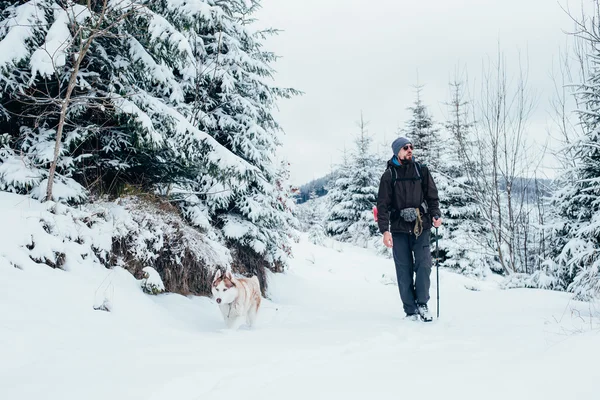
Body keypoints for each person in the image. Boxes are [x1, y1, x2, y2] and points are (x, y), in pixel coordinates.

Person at [376, 137, 442, 322]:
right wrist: (385, 231)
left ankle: (422, 303)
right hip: (398, 229)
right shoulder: (389, 176)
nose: (410, 150)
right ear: (397, 151)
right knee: (403, 270)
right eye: (405, 148)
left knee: (424, 264)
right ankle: (410, 310)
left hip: (421, 226)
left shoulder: (421, 170)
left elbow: (432, 197)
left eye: (411, 147)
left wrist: (435, 214)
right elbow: (383, 206)